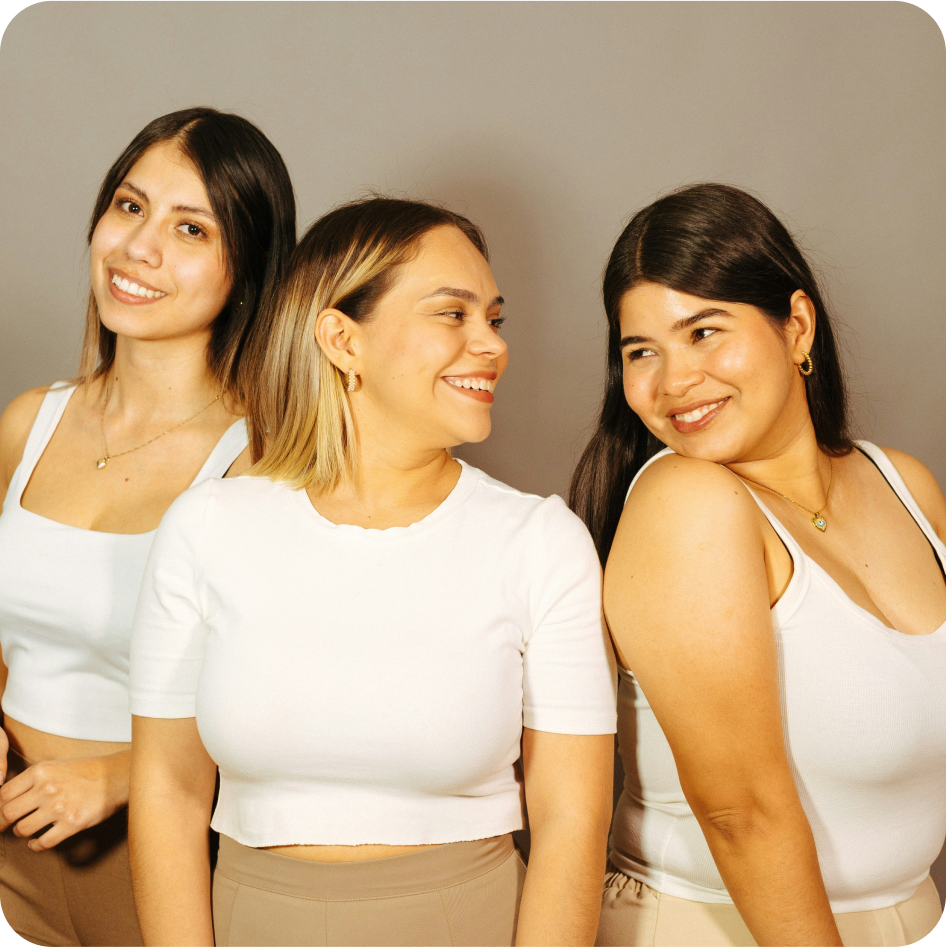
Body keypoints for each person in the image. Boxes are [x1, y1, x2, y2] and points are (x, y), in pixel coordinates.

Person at [128, 196, 618, 947]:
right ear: (341, 340)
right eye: (452, 314)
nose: (491, 344)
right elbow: (167, 791)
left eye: (494, 319)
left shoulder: (540, 542)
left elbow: (572, 822)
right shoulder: (207, 527)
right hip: (251, 918)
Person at [570, 183, 946, 947]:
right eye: (641, 351)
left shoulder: (902, 482)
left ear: (796, 325)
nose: (673, 381)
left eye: (704, 332)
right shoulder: (688, 503)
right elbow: (739, 811)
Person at [0, 106, 296, 947]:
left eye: (190, 228)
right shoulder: (29, 421)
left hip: (166, 860)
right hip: (8, 857)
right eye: (130, 206)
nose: (139, 247)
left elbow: (294, 704)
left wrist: (119, 775)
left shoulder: (261, 462)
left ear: (246, 268)